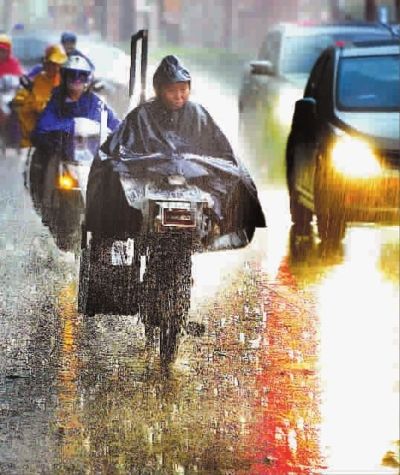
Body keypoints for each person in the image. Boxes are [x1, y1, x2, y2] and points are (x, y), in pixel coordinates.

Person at [88, 55, 265, 238]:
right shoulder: (142, 114)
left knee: (238, 175)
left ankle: (215, 226)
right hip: (151, 178)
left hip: (192, 178)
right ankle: (118, 232)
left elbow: (221, 150)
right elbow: (117, 148)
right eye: (172, 90)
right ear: (159, 89)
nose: (179, 96)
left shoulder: (198, 114)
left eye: (183, 89)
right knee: (108, 172)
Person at [30, 54, 120, 204]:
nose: (76, 80)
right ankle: (47, 202)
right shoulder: (56, 102)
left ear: (88, 79)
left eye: (81, 76)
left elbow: (116, 125)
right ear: (64, 77)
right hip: (65, 158)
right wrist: (58, 133)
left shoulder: (96, 103)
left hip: (94, 160)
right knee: (51, 161)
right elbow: (42, 128)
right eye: (72, 75)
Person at [13, 44, 67, 148]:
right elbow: (33, 103)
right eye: (52, 63)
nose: (55, 67)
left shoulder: (64, 81)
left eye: (58, 64)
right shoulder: (38, 80)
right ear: (45, 63)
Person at [25, 31, 94, 80]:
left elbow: (90, 67)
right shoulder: (57, 52)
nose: (69, 46)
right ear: (62, 44)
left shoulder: (78, 56)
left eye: (72, 43)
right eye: (67, 43)